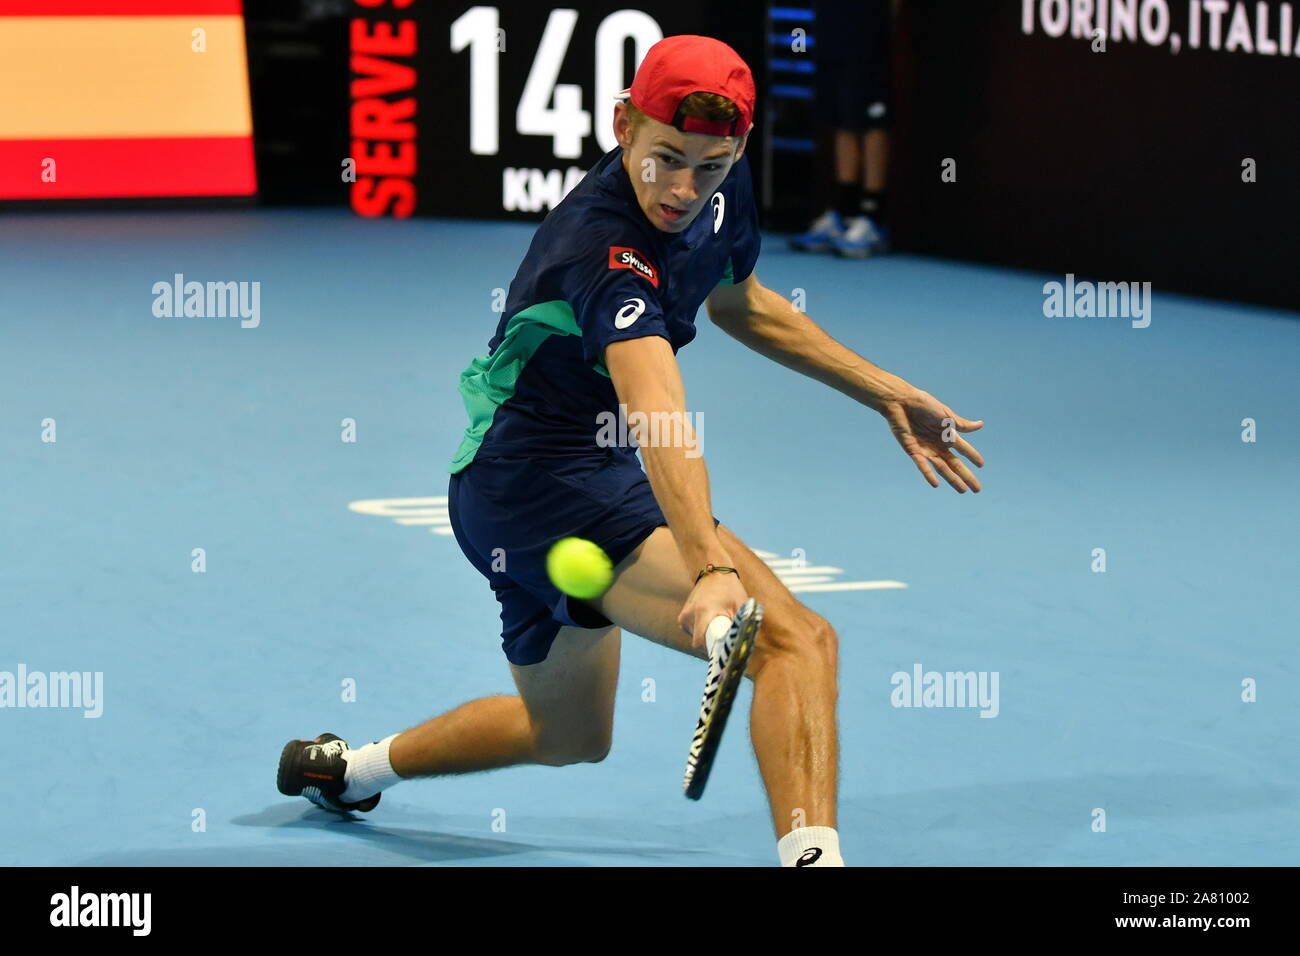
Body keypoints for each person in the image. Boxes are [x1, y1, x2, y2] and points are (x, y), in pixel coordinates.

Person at [277, 34, 984, 867]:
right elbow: (657, 410)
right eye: (664, 160)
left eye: (710, 165)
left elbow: (743, 306)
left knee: (567, 734)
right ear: (622, 123)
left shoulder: (721, 180)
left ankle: (348, 771)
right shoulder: (601, 249)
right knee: (798, 643)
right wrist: (709, 567)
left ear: (739, 148)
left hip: (526, 485)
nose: (683, 189)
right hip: (543, 482)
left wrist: (883, 390)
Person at [790, 0, 895, 257]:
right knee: (842, 118)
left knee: (871, 119)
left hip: (866, 24)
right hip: (831, 22)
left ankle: (873, 217)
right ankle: (844, 211)